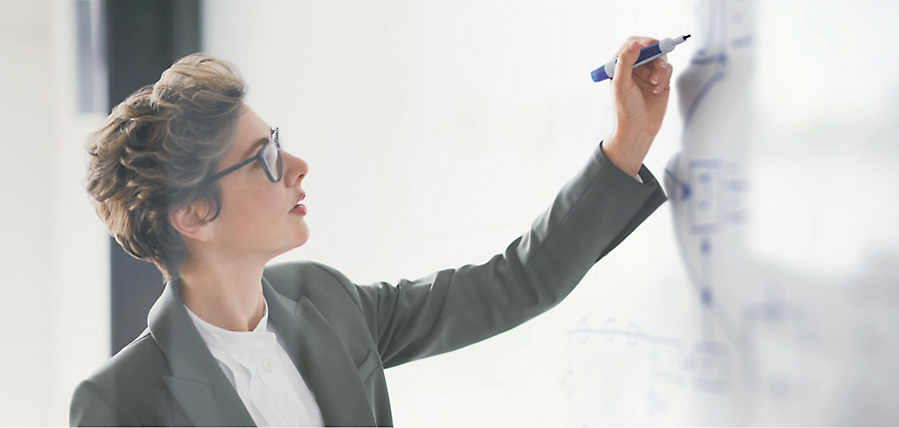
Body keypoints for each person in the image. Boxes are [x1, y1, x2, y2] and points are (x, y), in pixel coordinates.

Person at [70, 36, 672, 426]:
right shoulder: (119, 402)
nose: (297, 166)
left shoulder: (325, 298)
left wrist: (628, 143)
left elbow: (514, 283)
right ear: (194, 214)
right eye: (265, 157)